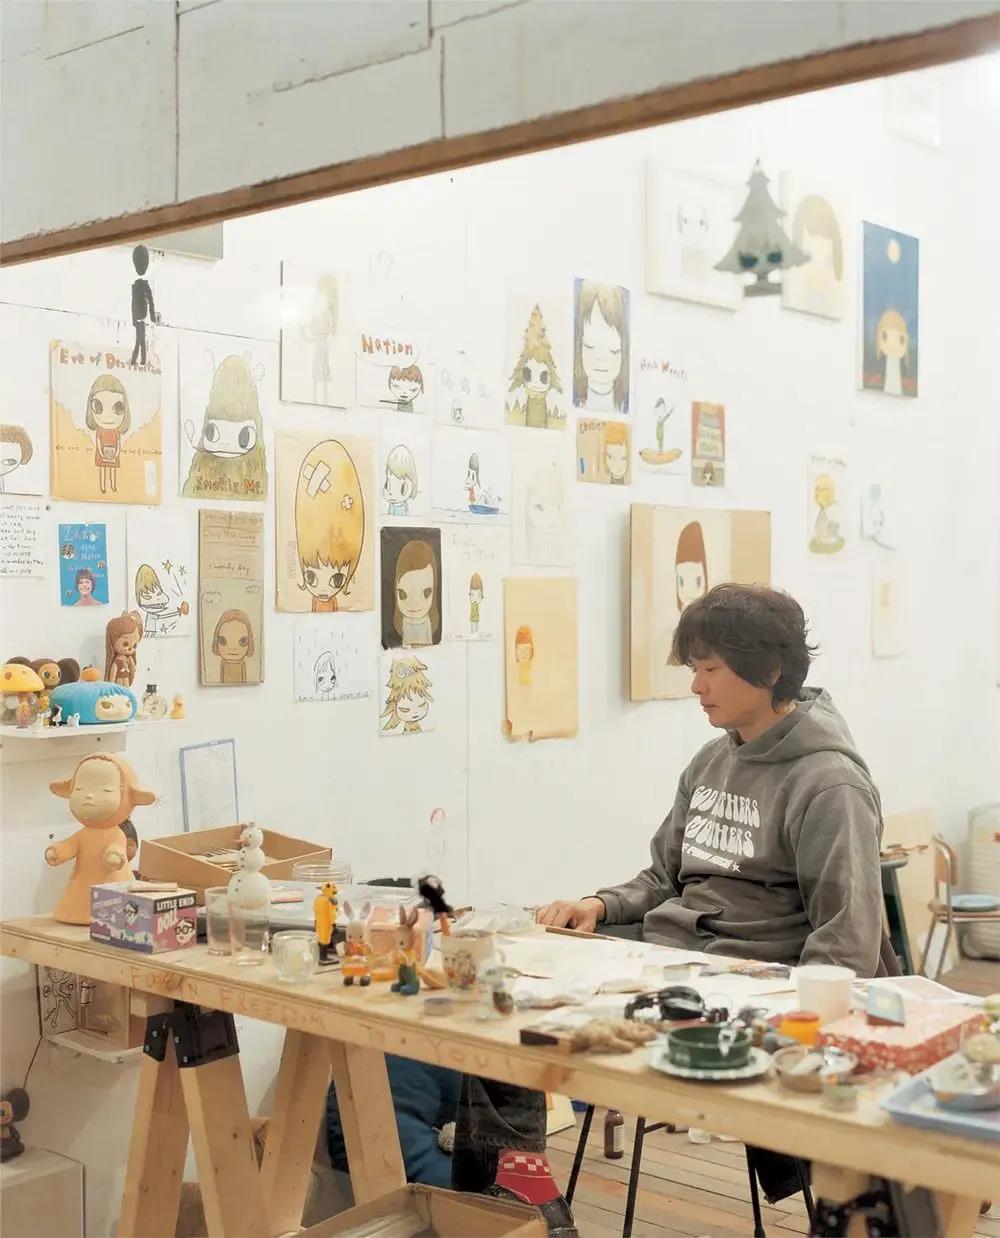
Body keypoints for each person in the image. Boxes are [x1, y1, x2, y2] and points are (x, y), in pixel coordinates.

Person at [453, 585, 888, 1235]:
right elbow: (664, 876)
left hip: (750, 979)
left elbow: (846, 937)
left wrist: (792, 1029)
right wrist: (599, 905)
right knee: (498, 995)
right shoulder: (712, 760)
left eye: (709, 669)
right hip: (670, 957)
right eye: (693, 669)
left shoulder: (829, 782)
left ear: (769, 670)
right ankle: (516, 1199)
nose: (696, 687)